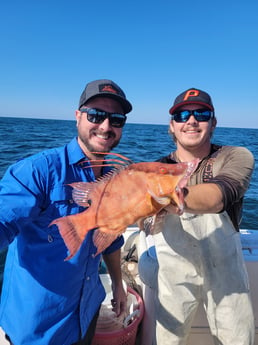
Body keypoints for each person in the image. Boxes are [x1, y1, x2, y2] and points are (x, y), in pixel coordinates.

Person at [0, 79, 132, 345]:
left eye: (116, 119)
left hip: (86, 311)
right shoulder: (37, 171)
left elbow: (111, 236)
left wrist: (118, 283)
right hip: (38, 327)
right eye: (96, 115)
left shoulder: (116, 180)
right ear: (78, 117)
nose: (105, 127)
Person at [140, 88, 255, 345]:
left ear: (213, 122)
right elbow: (144, 223)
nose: (191, 120)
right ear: (172, 125)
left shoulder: (235, 156)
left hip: (227, 276)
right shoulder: (155, 169)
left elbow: (218, 197)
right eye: (182, 115)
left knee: (237, 339)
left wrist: (159, 196)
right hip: (173, 275)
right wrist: (146, 216)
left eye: (201, 113)